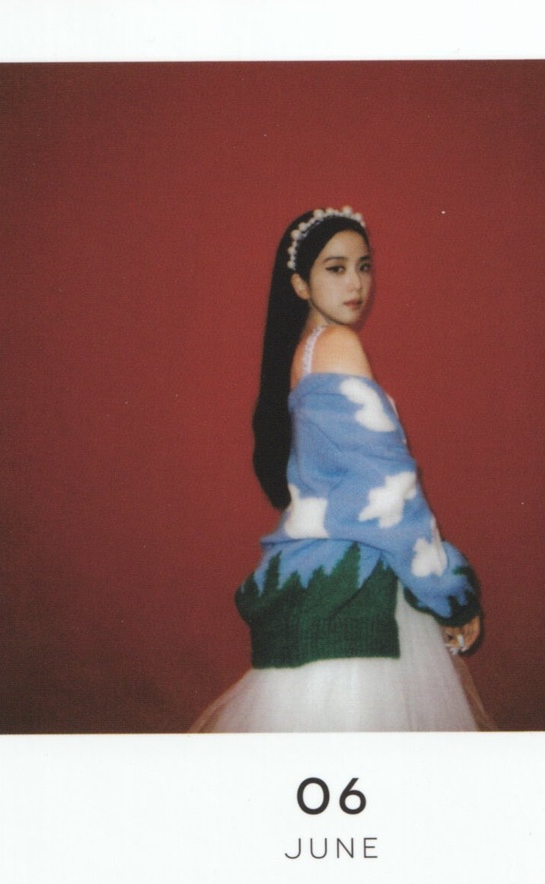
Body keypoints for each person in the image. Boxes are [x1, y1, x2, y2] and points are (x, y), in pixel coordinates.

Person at [190, 206, 489, 732]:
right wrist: (451, 594)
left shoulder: (305, 353)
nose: (356, 283)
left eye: (364, 266)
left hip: (322, 585)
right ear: (300, 285)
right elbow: (390, 492)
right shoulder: (337, 346)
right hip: (354, 593)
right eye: (336, 268)